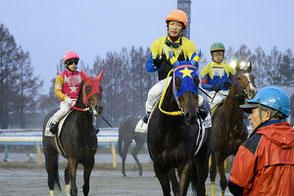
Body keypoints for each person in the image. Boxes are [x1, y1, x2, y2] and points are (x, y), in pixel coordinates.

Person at [228, 86, 294, 196]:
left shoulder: (252, 145)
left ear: (267, 115)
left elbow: (236, 186)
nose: (249, 117)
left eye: (253, 111)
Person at [143, 9, 204, 123]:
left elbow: (193, 65)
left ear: (183, 28)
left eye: (178, 25)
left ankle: (203, 122)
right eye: (172, 24)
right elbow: (148, 67)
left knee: (201, 101)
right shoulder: (157, 44)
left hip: (184, 82)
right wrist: (156, 64)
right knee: (152, 93)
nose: (174, 28)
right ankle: (149, 114)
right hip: (165, 82)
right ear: (167, 26)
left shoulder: (189, 45)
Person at [49, 51, 98, 134]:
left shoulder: (81, 76)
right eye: (71, 63)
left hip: (79, 101)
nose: (74, 65)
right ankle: (52, 124)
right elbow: (57, 91)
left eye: (75, 62)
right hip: (67, 102)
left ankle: (93, 127)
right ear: (66, 64)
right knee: (64, 110)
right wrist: (65, 98)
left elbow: (87, 87)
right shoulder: (61, 76)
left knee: (91, 111)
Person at [201, 42, 235, 112]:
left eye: (220, 54)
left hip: (226, 92)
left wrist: (230, 83)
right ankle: (211, 120)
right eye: (216, 55)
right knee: (217, 100)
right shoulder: (206, 69)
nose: (218, 57)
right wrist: (212, 87)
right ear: (212, 55)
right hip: (213, 93)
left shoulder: (229, 68)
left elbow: (234, 82)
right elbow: (203, 84)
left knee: (234, 101)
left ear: (223, 55)